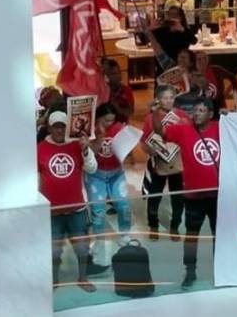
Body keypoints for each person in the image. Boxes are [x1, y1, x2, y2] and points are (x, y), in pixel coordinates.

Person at [150, 97, 220, 289]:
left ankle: (221, 270)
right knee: (191, 237)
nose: (195, 114)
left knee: (218, 236)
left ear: (211, 114)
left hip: (217, 195)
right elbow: (160, 131)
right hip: (193, 196)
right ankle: (190, 272)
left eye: (201, 110)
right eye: (194, 110)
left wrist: (232, 117)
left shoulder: (221, 128)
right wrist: (156, 113)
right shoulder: (184, 130)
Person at [38, 111, 97, 292]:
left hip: (76, 208)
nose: (59, 130)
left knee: (82, 247)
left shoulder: (78, 145)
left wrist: (86, 150)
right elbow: (33, 177)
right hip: (52, 210)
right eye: (55, 126)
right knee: (54, 250)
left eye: (62, 126)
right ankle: (54, 280)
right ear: (49, 127)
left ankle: (83, 277)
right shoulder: (39, 148)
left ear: (67, 127)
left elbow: (93, 169)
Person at [85, 104, 133, 273]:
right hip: (96, 174)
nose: (109, 123)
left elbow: (127, 149)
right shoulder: (89, 130)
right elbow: (90, 154)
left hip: (115, 173)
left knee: (123, 205)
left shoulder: (119, 128)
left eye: (112, 120)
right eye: (106, 120)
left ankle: (125, 234)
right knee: (98, 210)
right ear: (98, 118)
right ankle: (99, 240)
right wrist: (99, 137)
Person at [141, 85, 188, 241]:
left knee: (178, 197)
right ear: (158, 99)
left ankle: (175, 227)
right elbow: (144, 141)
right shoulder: (150, 118)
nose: (168, 101)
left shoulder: (182, 115)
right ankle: (153, 227)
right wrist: (150, 150)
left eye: (171, 97)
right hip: (158, 163)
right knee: (154, 196)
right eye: (165, 98)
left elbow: (188, 136)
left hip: (177, 162)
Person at [147, 6, 197, 73]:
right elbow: (146, 40)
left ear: (180, 17)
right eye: (170, 14)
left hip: (181, 64)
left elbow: (194, 41)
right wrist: (151, 28)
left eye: (175, 14)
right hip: (164, 64)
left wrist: (182, 29)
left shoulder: (184, 30)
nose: (172, 17)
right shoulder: (162, 30)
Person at [103, 59, 134, 125]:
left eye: (119, 72)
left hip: (121, 126)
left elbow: (130, 112)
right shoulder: (104, 90)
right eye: (113, 74)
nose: (118, 76)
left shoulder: (126, 90)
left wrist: (117, 108)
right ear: (107, 76)